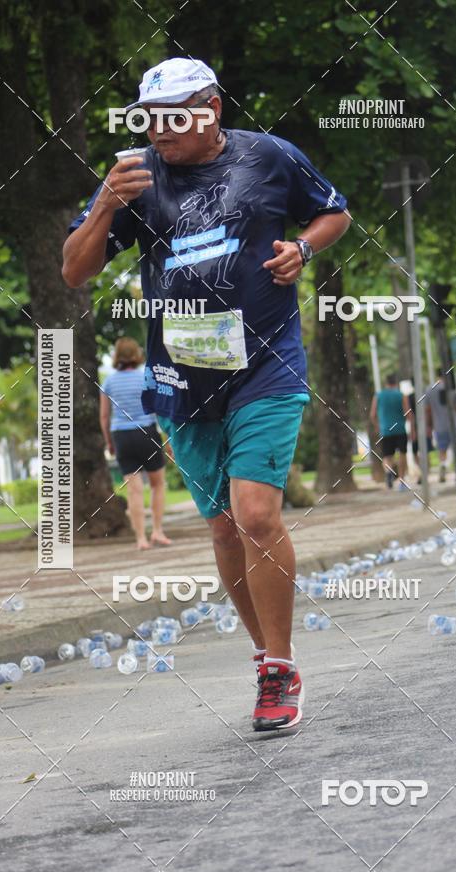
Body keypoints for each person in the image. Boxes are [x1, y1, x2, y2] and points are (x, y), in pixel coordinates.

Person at [63, 57, 350, 732]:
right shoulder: (134, 177)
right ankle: (264, 656)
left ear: (211, 108)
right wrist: (105, 203)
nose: (159, 130)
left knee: (254, 515)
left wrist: (302, 251)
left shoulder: (271, 157)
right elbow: (74, 271)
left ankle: (281, 669)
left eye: (173, 115)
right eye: (149, 117)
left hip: (267, 362)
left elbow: (334, 213)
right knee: (222, 526)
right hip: (182, 376)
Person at [99, 337, 172, 551]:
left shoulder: (109, 382)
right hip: (146, 433)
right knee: (158, 484)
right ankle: (157, 531)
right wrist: (167, 437)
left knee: (134, 490)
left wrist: (109, 442)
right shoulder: (146, 378)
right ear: (136, 355)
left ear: (117, 357)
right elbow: (159, 410)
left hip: (122, 436)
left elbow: (104, 417)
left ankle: (141, 538)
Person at [370, 374, 411, 490]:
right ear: (395, 383)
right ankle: (402, 482)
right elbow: (408, 413)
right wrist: (412, 429)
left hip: (386, 430)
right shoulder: (401, 395)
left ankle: (388, 472)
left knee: (387, 456)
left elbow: (372, 415)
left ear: (386, 383)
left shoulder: (378, 395)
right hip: (400, 429)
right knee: (402, 454)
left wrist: (378, 427)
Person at [425, 368, 455, 483]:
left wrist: (429, 425)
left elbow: (427, 410)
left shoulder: (429, 390)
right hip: (454, 425)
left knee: (442, 450)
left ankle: (443, 464)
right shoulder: (451, 389)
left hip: (438, 425)